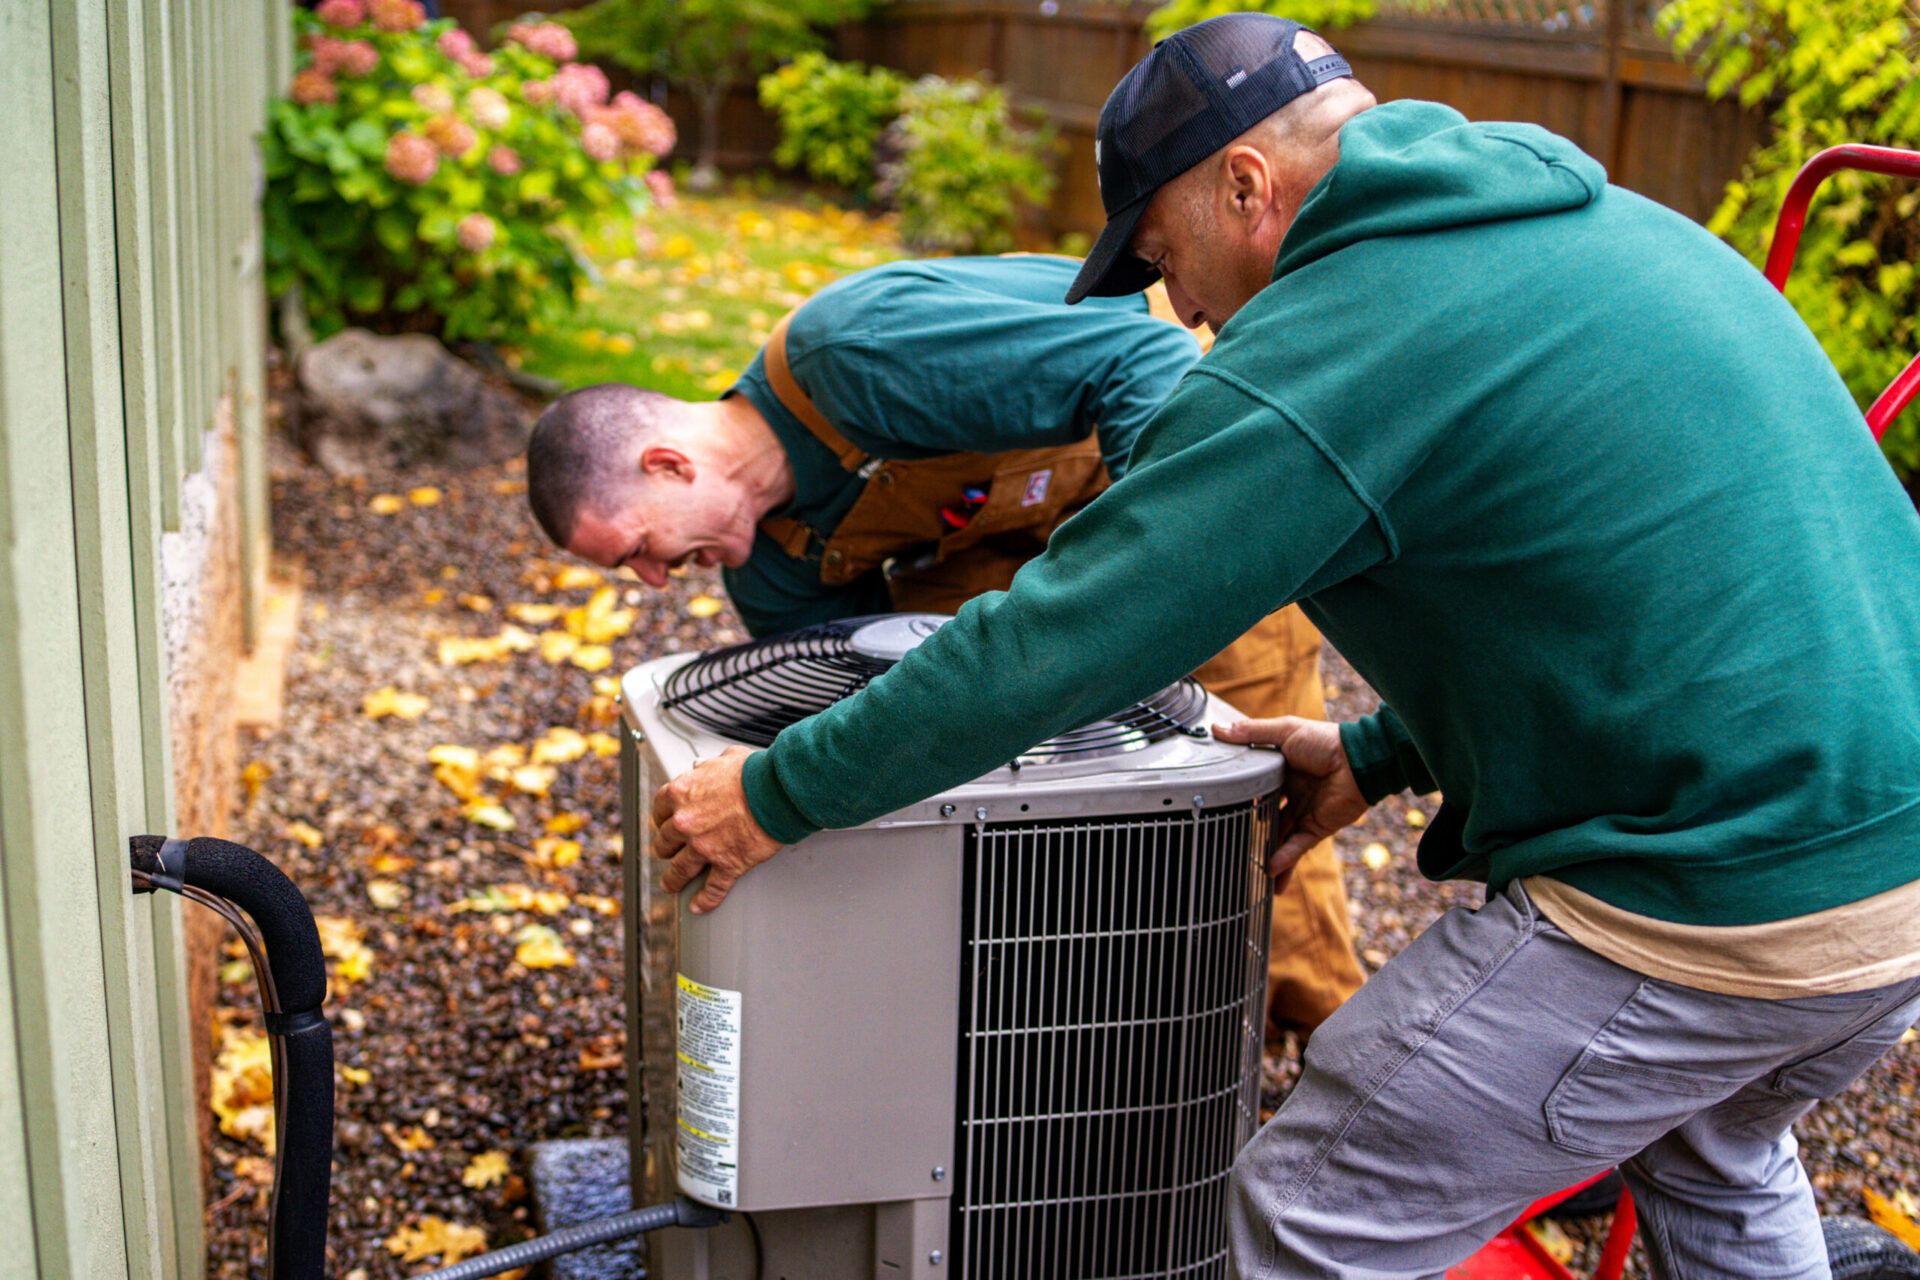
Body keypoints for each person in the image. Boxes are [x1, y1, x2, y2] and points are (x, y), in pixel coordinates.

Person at [650, 12, 1920, 1277]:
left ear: (1247, 186)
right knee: (1718, 1155)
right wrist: (1376, 751)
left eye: (1165, 260)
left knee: (1310, 1208)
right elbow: (1620, 591)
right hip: (1889, 878)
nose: (1183, 311)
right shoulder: (1608, 229)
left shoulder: (1337, 335)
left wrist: (778, 792)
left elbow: (1066, 635)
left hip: (1717, 903)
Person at [524, 252, 1368, 1041]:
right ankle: (1064, 1031)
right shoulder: (770, 572)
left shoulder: (854, 355)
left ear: (668, 466)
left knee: (1245, 785)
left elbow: (1138, 358)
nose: (655, 580)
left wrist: (1146, 574)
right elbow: (878, 720)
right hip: (1001, 546)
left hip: (1172, 461)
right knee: (988, 766)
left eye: (636, 547)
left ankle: (1324, 1050)